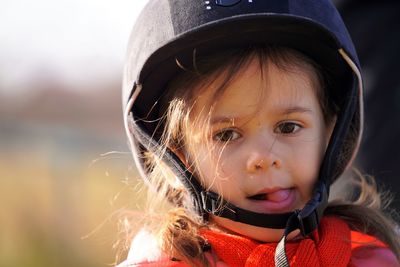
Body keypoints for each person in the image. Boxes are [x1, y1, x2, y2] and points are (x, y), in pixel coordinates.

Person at [118, 0, 400, 266]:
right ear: (174, 160)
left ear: (331, 136)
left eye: (288, 127)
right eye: (227, 134)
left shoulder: (374, 257)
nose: (265, 157)